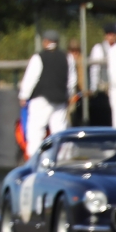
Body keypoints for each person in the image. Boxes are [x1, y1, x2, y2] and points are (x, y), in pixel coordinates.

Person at [18, 30, 76, 159]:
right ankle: (61, 159)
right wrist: (69, 95)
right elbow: (71, 80)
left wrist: (23, 96)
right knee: (59, 130)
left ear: (45, 42)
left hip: (41, 99)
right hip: (60, 99)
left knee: (36, 130)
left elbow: (30, 78)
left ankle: (34, 159)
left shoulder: (39, 57)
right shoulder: (68, 57)